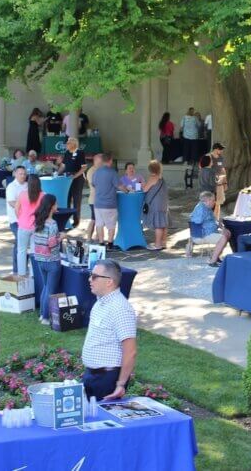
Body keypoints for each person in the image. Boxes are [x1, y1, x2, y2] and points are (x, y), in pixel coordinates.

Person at [81, 259, 137, 400]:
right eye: (90, 274)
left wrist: (121, 384)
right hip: (92, 375)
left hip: (107, 380)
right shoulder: (100, 302)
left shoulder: (121, 308)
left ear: (109, 281)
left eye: (94, 276)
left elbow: (130, 351)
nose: (89, 279)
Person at [31, 195, 62, 323]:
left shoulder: (38, 220)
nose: (57, 206)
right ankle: (45, 317)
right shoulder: (52, 224)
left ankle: (42, 314)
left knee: (45, 287)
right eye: (56, 203)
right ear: (52, 206)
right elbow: (52, 244)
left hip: (39, 259)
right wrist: (61, 238)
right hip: (52, 260)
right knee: (50, 289)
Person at [191, 191, 231, 267]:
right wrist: (216, 224)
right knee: (223, 238)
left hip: (209, 232)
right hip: (203, 234)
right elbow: (196, 221)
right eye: (213, 200)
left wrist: (219, 224)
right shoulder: (201, 209)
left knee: (228, 233)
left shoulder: (207, 208)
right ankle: (213, 261)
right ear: (208, 201)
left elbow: (212, 221)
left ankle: (216, 256)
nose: (214, 202)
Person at [15, 175, 45, 276]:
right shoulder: (43, 195)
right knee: (34, 251)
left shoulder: (22, 194)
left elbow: (16, 209)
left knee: (21, 250)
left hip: (23, 225)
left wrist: (20, 219)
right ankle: (33, 273)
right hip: (37, 226)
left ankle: (21, 273)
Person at [57, 137, 87, 226]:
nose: (66, 145)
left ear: (73, 144)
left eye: (68, 143)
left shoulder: (80, 153)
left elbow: (84, 167)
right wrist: (57, 173)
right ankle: (66, 221)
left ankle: (76, 221)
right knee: (67, 199)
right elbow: (63, 166)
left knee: (76, 200)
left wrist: (74, 176)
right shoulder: (67, 153)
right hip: (67, 179)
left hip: (77, 179)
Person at [91, 153, 120, 246]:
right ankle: (110, 243)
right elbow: (119, 186)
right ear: (110, 160)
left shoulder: (96, 172)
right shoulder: (112, 172)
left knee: (99, 224)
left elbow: (93, 184)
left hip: (98, 203)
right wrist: (127, 190)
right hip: (110, 203)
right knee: (111, 225)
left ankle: (101, 243)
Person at [4, 166, 28, 274]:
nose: (22, 176)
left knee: (24, 244)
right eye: (20, 173)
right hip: (16, 220)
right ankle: (17, 270)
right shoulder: (11, 186)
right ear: (15, 174)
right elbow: (11, 202)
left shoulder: (27, 186)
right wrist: (24, 209)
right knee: (20, 243)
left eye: (24, 174)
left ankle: (23, 267)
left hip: (27, 220)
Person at [143, 160, 169, 251]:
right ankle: (163, 243)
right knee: (163, 223)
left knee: (158, 224)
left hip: (155, 204)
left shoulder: (153, 178)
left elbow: (145, 190)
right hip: (163, 203)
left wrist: (143, 185)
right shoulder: (161, 178)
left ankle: (157, 245)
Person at [85, 154, 104, 241]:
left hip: (101, 199)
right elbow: (94, 185)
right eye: (100, 161)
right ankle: (89, 238)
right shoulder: (91, 171)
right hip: (94, 200)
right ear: (95, 161)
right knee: (93, 219)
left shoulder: (101, 170)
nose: (102, 163)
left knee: (99, 220)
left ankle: (97, 237)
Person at [210, 142, 227, 218]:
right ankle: (210, 218)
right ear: (216, 149)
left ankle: (216, 218)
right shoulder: (208, 157)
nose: (221, 151)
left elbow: (223, 169)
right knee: (211, 201)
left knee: (218, 202)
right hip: (211, 182)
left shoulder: (221, 157)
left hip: (219, 182)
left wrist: (225, 182)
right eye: (220, 149)